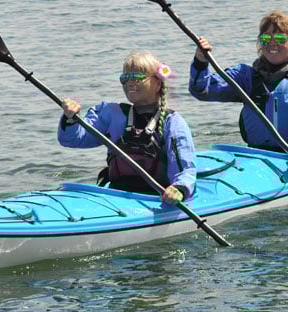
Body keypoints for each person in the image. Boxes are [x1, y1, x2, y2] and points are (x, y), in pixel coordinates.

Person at [188, 11, 288, 165]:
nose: (272, 43)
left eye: (280, 38)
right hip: (255, 155)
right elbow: (201, 91)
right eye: (266, 38)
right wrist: (200, 61)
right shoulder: (244, 76)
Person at [59, 52, 197, 203]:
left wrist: (180, 188)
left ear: (157, 83)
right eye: (125, 78)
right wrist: (70, 118)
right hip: (116, 196)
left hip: (156, 198)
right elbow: (72, 140)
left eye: (137, 77)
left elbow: (185, 169)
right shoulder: (111, 114)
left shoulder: (173, 123)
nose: (130, 83)